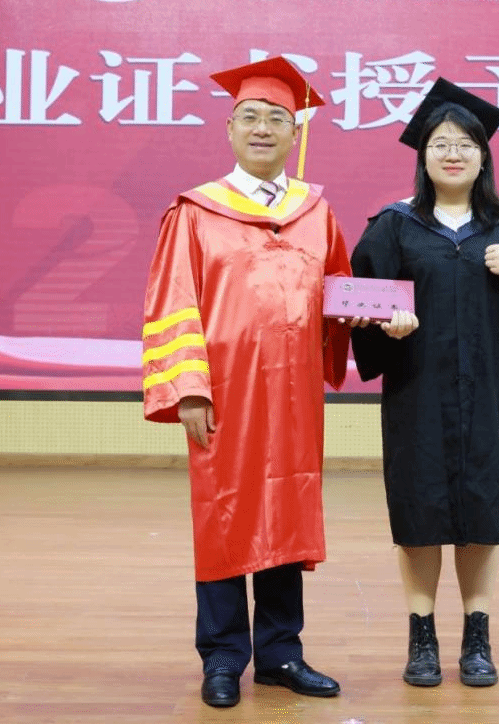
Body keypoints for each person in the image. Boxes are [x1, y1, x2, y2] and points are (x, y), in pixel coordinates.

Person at [350, 78, 499, 688]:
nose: (453, 154)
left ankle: (477, 636)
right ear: (423, 156)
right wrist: (384, 324)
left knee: (482, 507)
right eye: (441, 144)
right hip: (416, 391)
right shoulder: (394, 225)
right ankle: (421, 637)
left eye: (466, 144)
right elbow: (358, 303)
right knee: (418, 509)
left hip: (487, 391)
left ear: (483, 155)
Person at [141, 57, 351, 708]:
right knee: (224, 513)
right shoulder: (196, 211)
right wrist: (189, 388)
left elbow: (341, 292)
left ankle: (281, 652)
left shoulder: (315, 211)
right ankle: (224, 654)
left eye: (277, 118)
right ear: (230, 129)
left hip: (294, 396)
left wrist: (373, 314)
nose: (263, 128)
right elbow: (174, 301)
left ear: (295, 132)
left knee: (288, 506)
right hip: (225, 393)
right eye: (251, 117)